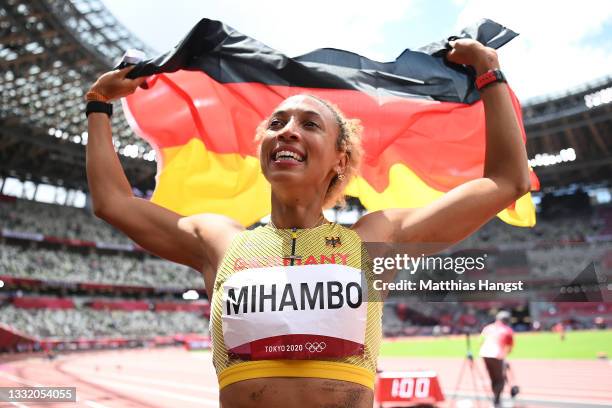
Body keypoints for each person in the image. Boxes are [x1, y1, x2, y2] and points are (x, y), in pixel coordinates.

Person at [85, 39, 530, 408]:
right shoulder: (220, 241)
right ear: (263, 153)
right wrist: (99, 104)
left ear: (340, 158)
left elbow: (507, 181)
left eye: (309, 124)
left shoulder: (377, 238)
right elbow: (113, 202)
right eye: (276, 123)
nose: (287, 130)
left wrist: (488, 71)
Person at [479, 310, 515, 407]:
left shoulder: (488, 328)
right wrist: (504, 357)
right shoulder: (507, 330)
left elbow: (481, 341)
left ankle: (496, 397)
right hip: (497, 354)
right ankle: (497, 400)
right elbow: (510, 347)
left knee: (493, 377)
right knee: (500, 379)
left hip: (484, 353)